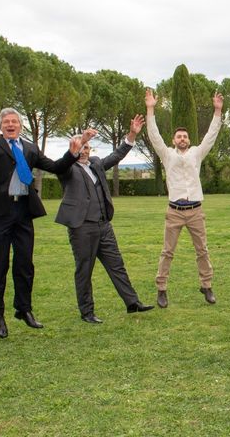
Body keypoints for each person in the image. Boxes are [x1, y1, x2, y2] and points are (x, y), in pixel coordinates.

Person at [0, 108, 91, 338]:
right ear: (1, 125)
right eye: (6, 121)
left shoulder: (30, 148)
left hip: (23, 211)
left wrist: (72, 153)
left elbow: (55, 167)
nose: (10, 124)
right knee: (0, 265)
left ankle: (24, 309)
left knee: (25, 264)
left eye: (14, 121)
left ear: (21, 125)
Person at [55, 116, 154, 323]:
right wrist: (80, 140)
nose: (85, 150)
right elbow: (65, 162)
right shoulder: (66, 168)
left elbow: (116, 155)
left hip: (104, 226)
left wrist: (132, 135)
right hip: (81, 228)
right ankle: (87, 312)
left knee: (117, 265)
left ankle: (132, 303)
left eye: (87, 147)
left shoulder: (96, 164)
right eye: (81, 147)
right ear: (74, 148)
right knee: (84, 270)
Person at [145, 88, 224, 308]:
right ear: (173, 140)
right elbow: (154, 135)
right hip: (174, 212)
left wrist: (217, 112)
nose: (182, 138)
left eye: (185, 136)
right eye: (179, 136)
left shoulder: (197, 153)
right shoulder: (167, 154)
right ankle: (161, 289)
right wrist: (150, 109)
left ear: (189, 140)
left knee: (202, 250)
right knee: (167, 251)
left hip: (196, 211)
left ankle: (206, 286)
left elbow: (211, 136)